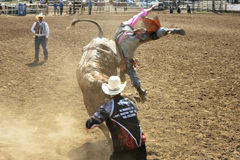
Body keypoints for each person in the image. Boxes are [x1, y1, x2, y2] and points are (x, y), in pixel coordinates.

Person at [114, 4, 185, 102]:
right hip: (130, 38)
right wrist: (150, 9)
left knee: (130, 70)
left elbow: (118, 52)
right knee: (152, 35)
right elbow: (140, 15)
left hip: (125, 49)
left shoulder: (116, 34)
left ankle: (140, 91)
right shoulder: (127, 24)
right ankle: (168, 30)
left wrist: (125, 63)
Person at [85, 76, 147, 160]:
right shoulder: (131, 102)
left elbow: (89, 124)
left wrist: (88, 126)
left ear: (109, 91)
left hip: (123, 149)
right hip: (141, 147)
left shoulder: (108, 106)